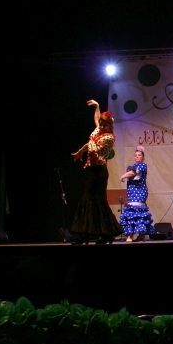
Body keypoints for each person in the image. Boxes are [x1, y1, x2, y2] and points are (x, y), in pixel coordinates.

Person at [69, 99, 124, 244]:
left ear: (110, 126)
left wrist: (83, 149)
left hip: (99, 171)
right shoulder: (99, 130)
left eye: (105, 125)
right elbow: (97, 120)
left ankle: (107, 234)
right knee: (88, 201)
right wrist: (97, 106)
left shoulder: (109, 138)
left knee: (98, 202)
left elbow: (92, 147)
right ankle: (85, 234)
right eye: (101, 124)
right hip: (91, 170)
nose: (102, 126)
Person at [119, 145, 155, 242]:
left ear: (143, 157)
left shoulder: (143, 165)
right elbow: (131, 172)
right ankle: (137, 235)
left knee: (137, 211)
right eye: (135, 155)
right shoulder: (131, 166)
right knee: (131, 212)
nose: (137, 157)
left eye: (139, 155)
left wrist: (122, 176)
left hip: (140, 191)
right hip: (131, 191)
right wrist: (126, 175)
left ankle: (134, 235)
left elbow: (133, 173)